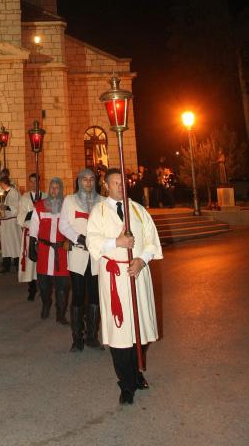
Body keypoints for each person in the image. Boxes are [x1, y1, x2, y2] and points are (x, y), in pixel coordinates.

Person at [86, 168, 163, 405]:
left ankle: (136, 371)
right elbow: (92, 241)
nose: (121, 186)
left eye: (123, 182)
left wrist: (142, 260)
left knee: (142, 328)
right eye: (115, 183)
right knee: (120, 333)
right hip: (115, 277)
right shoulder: (99, 211)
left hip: (138, 274)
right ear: (106, 185)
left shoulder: (138, 210)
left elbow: (151, 241)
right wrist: (116, 242)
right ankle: (126, 384)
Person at [59, 168, 102, 351]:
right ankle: (77, 339)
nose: (88, 182)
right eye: (85, 179)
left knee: (95, 295)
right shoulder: (70, 201)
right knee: (77, 295)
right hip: (78, 254)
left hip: (96, 256)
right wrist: (79, 238)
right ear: (79, 181)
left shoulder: (102, 201)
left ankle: (92, 337)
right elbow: (63, 225)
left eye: (91, 179)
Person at [29, 177, 70, 324]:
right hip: (44, 250)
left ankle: (61, 314)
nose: (54, 190)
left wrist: (70, 241)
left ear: (61, 189)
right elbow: (34, 225)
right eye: (52, 187)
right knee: (44, 285)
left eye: (57, 187)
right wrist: (31, 244)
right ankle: (46, 304)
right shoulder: (40, 206)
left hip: (61, 251)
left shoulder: (67, 206)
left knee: (62, 286)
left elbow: (73, 226)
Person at [17, 173, 46, 300]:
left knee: (43, 262)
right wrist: (33, 212)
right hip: (29, 234)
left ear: (39, 182)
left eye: (36, 181)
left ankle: (44, 288)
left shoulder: (46, 196)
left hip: (43, 235)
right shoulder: (24, 198)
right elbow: (20, 216)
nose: (34, 184)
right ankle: (32, 289)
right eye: (31, 182)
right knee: (30, 263)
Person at [0, 174, 22, 273]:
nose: (0, 185)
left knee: (15, 243)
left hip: (12, 222)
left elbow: (17, 206)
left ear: (3, 183)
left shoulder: (13, 192)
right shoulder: (2, 193)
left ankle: (18, 265)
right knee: (5, 244)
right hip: (4, 223)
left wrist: (7, 207)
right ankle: (6, 266)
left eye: (0, 183)